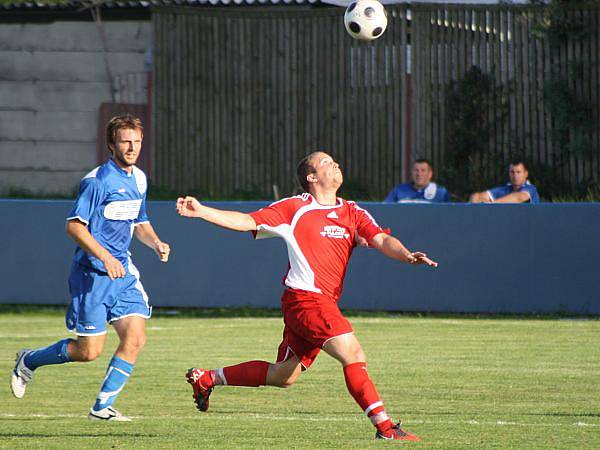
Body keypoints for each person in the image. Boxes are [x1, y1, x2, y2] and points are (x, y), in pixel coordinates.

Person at [176, 151, 437, 441]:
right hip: (306, 301)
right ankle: (386, 429)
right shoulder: (295, 208)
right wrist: (202, 211)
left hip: (319, 302)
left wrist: (406, 255)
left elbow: (382, 239)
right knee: (353, 354)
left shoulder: (353, 211)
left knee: (283, 376)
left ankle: (208, 378)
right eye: (325, 162)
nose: (335, 163)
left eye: (334, 160)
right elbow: (247, 221)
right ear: (311, 178)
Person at [10, 115, 171, 421]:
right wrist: (105, 257)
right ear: (111, 144)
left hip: (122, 273)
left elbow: (139, 222)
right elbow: (74, 226)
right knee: (88, 352)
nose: (132, 147)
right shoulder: (97, 181)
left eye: (137, 141)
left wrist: (156, 243)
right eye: (125, 141)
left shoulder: (139, 179)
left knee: (135, 338)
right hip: (92, 276)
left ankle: (101, 407)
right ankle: (28, 360)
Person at [469, 160, 540, 204]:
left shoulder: (531, 189)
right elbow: (476, 196)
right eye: (512, 172)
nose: (515, 176)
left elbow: (519, 197)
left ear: (526, 174)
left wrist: (492, 204)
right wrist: (476, 202)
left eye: (518, 172)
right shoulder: (505, 189)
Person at [384, 158, 451, 203]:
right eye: (416, 170)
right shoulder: (399, 190)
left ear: (430, 174)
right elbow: (385, 208)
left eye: (423, 170)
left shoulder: (440, 192)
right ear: (412, 172)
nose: (419, 174)